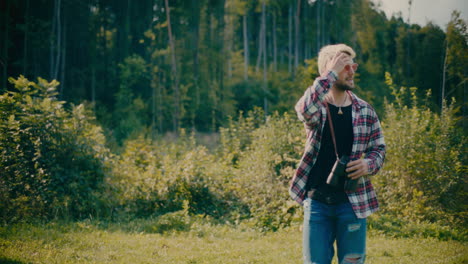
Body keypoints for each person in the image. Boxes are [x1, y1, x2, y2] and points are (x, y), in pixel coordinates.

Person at [289, 44, 386, 264]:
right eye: (345, 66)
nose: (352, 71)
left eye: (354, 65)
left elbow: (379, 148)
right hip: (317, 204)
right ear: (330, 70)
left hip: (352, 203)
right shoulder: (318, 107)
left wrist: (368, 165)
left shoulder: (365, 110)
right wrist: (330, 75)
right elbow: (304, 109)